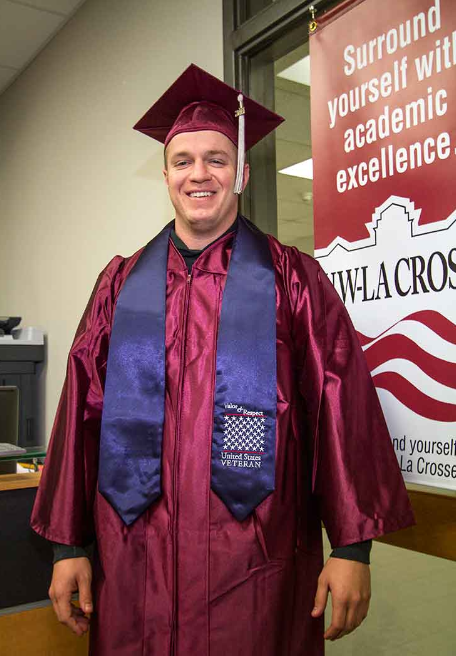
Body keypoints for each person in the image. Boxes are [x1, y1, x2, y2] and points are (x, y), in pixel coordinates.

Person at [31, 64, 414, 656]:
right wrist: (67, 547)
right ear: (165, 175)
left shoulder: (293, 279)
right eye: (183, 161)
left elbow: (341, 406)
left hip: (255, 560)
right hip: (135, 559)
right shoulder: (120, 285)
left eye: (215, 158)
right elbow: (80, 410)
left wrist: (351, 548)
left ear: (240, 172)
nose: (198, 174)